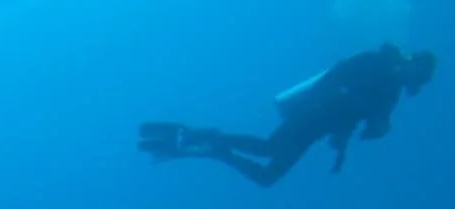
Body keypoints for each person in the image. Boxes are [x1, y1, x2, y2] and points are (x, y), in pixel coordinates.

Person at [137, 44, 436, 186]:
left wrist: (343, 148)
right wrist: (316, 108)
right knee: (268, 152)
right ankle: (208, 140)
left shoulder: (390, 93)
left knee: (267, 173)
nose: (415, 84)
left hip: (319, 126)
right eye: (418, 76)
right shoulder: (374, 64)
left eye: (419, 82)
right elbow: (334, 81)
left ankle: (213, 144)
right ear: (412, 63)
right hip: (312, 115)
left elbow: (358, 120)